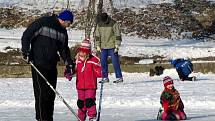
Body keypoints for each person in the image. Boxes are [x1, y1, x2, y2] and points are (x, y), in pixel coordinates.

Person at [21, 10, 75, 121]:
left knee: (51, 94)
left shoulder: (63, 32)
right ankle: (41, 118)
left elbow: (64, 49)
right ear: (65, 20)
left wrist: (69, 63)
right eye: (69, 23)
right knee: (42, 94)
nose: (69, 26)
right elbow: (27, 35)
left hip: (51, 65)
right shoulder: (44, 22)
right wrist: (25, 51)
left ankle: (48, 118)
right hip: (38, 63)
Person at [74, 38, 102, 121]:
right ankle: (81, 118)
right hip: (80, 86)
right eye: (81, 51)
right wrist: (69, 72)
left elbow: (99, 71)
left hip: (91, 86)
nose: (82, 54)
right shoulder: (77, 60)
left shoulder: (93, 60)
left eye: (84, 52)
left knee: (89, 101)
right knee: (81, 103)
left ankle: (92, 116)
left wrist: (102, 72)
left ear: (88, 52)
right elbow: (73, 69)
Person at [94, 12, 123, 83]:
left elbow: (117, 34)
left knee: (115, 62)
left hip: (112, 46)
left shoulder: (113, 23)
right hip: (103, 47)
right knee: (103, 62)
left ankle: (119, 77)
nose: (104, 21)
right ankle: (105, 77)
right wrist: (97, 45)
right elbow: (97, 36)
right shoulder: (99, 24)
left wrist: (117, 45)